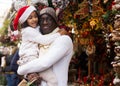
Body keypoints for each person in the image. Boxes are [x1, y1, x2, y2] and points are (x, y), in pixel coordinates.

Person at [17, 7, 73, 86]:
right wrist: (29, 75)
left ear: (55, 21)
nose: (45, 22)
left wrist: (21, 69)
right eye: (41, 20)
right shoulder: (38, 40)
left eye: (48, 19)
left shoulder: (63, 39)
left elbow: (44, 64)